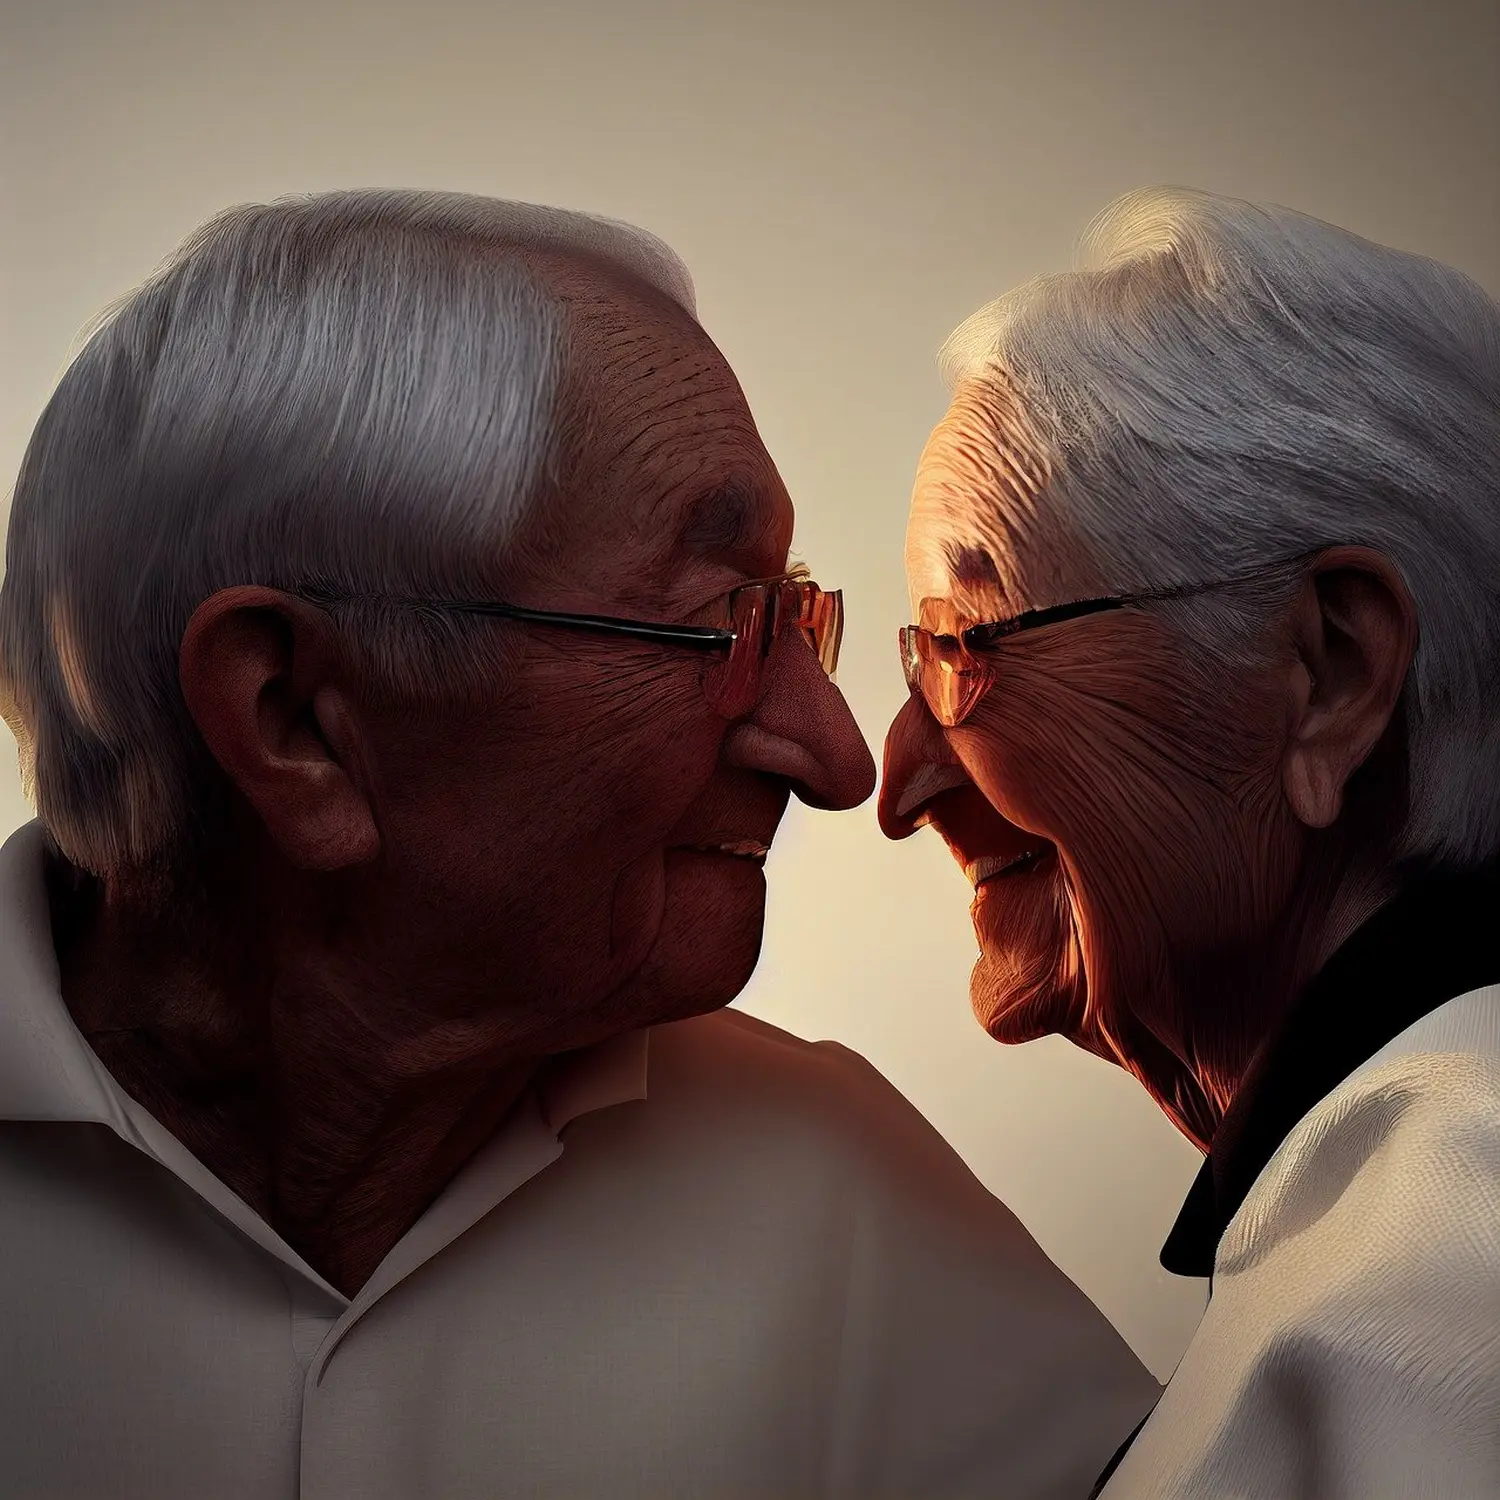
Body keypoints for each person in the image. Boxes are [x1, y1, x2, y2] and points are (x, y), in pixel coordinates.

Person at [0, 189, 1154, 1499]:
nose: (837, 765)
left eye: (797, 619)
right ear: (295, 722)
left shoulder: (837, 1193)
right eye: (724, 626)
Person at [879, 185, 1500, 1499]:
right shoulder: (1379, 1203)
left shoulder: (1448, 1270)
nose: (899, 777)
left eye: (964, 646)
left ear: (1327, 673)